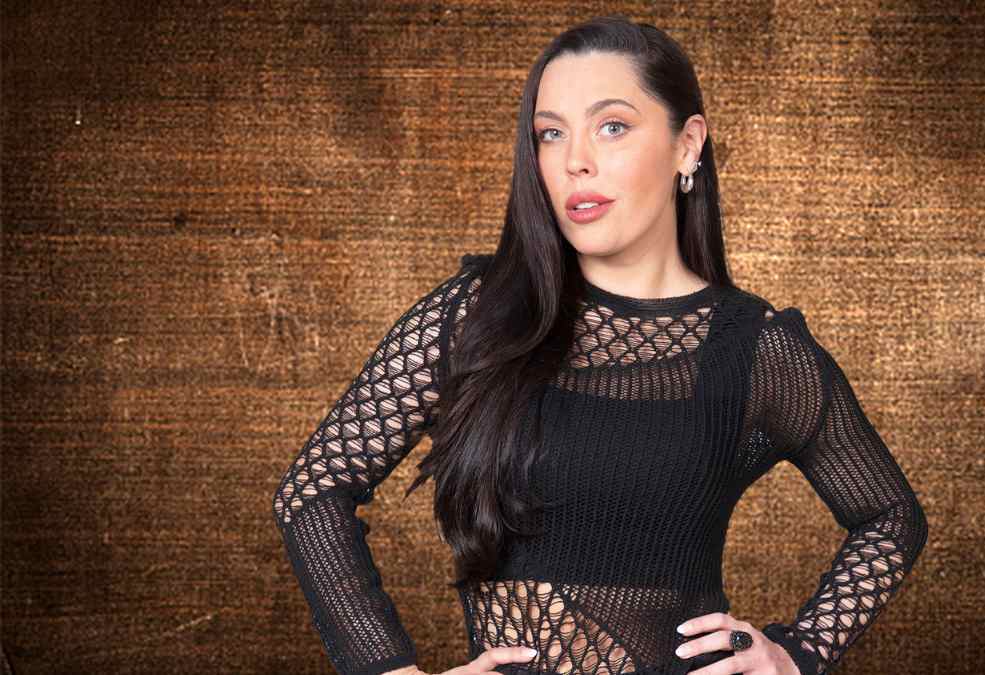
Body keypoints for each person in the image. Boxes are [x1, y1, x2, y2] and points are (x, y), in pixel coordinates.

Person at [272, 14, 928, 675]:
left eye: (611, 126)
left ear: (687, 145)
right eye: (550, 133)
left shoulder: (753, 351)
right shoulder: (477, 316)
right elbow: (313, 491)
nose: (574, 160)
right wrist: (388, 668)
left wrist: (795, 654)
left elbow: (890, 516)